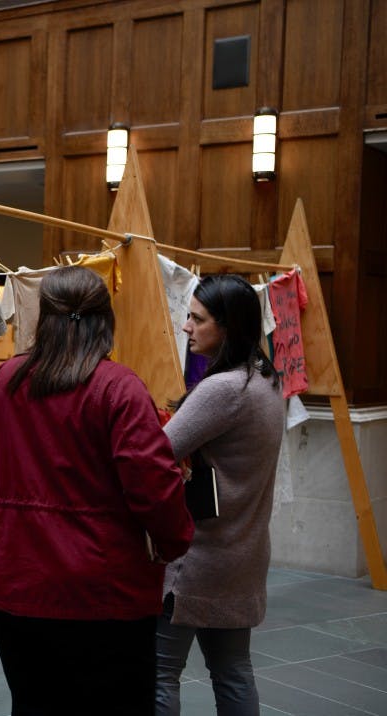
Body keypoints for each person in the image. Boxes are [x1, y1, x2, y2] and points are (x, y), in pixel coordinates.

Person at [0, 265, 194, 715]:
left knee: (33, 703)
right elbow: (154, 486)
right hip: (104, 594)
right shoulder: (119, 389)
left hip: (12, 585)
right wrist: (171, 542)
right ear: (106, 322)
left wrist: (16, 525)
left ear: (42, 319)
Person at [155, 274, 284, 716]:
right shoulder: (265, 380)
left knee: (159, 673)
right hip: (243, 552)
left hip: (199, 558)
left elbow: (157, 453)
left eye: (197, 318)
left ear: (227, 327)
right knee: (232, 670)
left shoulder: (223, 390)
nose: (187, 327)